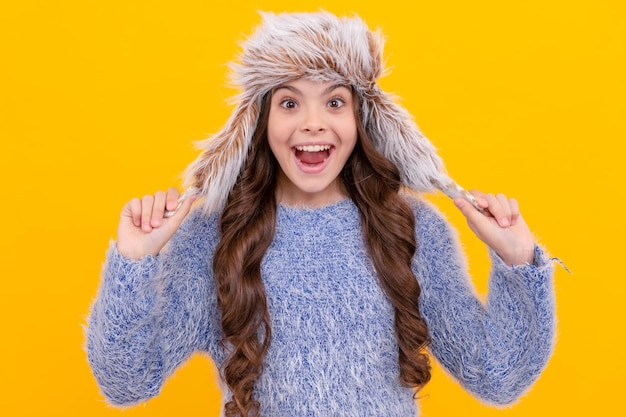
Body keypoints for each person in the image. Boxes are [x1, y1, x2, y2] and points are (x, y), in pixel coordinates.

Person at [85, 10, 557, 417]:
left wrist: (518, 262)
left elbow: (497, 376)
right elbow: (127, 382)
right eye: (289, 103)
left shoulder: (409, 229)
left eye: (334, 101)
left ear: (362, 119)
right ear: (260, 121)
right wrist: (134, 260)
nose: (313, 122)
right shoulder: (215, 235)